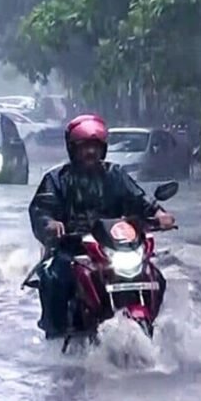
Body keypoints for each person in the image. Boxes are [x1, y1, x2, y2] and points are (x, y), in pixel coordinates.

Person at [27, 114, 176, 338]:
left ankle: (149, 320)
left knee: (156, 277)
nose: (90, 152)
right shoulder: (57, 179)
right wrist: (51, 224)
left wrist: (159, 214)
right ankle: (56, 336)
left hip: (114, 249)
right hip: (74, 250)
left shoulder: (115, 175)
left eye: (95, 146)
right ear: (73, 148)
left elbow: (140, 200)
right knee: (53, 279)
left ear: (103, 148)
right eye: (84, 146)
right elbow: (41, 209)